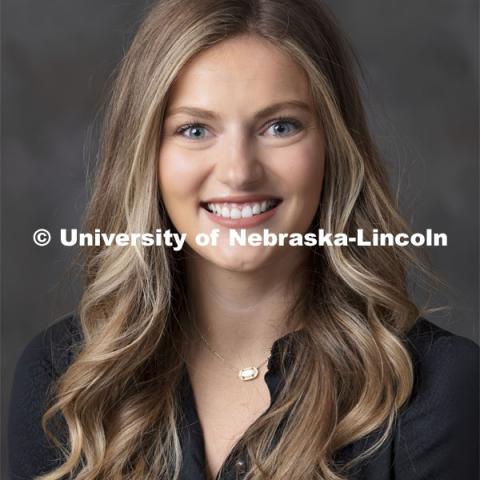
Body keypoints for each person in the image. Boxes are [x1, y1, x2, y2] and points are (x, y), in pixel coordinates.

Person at [8, 1, 479, 479]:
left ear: (334, 147)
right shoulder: (65, 384)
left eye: (280, 126)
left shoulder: (439, 390)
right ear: (146, 154)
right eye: (194, 129)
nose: (238, 172)